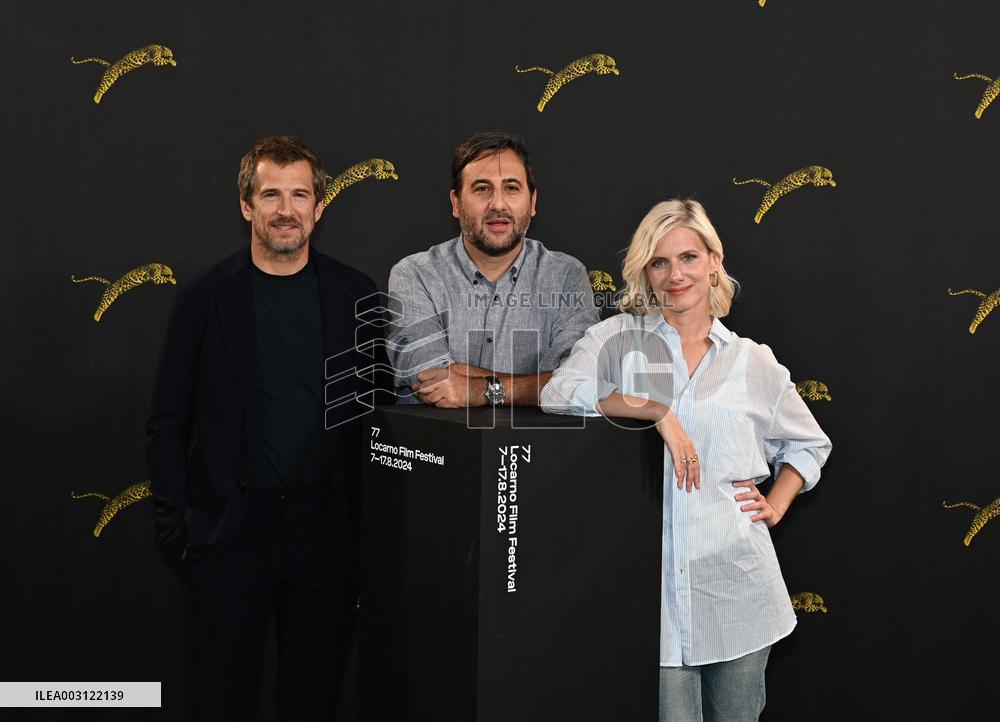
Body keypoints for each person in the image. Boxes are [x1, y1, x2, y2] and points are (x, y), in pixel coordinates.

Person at [540, 199, 831, 722]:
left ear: (715, 260)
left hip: (739, 590)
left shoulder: (753, 361)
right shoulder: (617, 340)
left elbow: (810, 444)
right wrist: (655, 409)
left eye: (689, 257)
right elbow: (559, 392)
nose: (676, 275)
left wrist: (777, 502)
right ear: (645, 272)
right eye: (659, 262)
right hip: (654, 602)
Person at [146, 135, 387, 721]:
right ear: (246, 206)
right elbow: (168, 421)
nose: (286, 208)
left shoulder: (354, 294)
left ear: (320, 208)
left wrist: (364, 537)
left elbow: (376, 422)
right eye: (271, 194)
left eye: (300, 194)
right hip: (227, 535)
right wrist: (180, 530)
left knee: (313, 701)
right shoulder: (206, 297)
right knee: (220, 701)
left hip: (323, 536)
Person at [386, 131, 599, 407]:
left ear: (532, 203)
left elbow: (577, 382)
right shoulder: (415, 275)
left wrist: (478, 389)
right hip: (436, 448)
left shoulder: (566, 276)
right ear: (456, 203)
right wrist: (536, 383)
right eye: (482, 188)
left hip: (538, 449)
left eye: (511, 188)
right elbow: (432, 383)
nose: (498, 204)